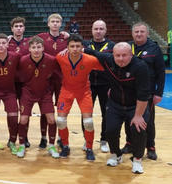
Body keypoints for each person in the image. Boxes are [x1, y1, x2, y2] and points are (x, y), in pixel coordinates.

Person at [84, 42, 150, 174]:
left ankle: (137, 160)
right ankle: (115, 154)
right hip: (115, 104)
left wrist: (138, 116)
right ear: (112, 55)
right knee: (110, 130)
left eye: (124, 55)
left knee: (138, 129)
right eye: (117, 55)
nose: (120, 58)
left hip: (135, 106)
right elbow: (91, 52)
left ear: (131, 55)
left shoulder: (140, 67)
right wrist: (71, 48)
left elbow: (144, 95)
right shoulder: (108, 60)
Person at [55, 34, 103, 161]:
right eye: (72, 46)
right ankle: (65, 146)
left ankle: (89, 148)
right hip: (66, 91)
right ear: (67, 47)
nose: (75, 49)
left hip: (84, 92)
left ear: (82, 47)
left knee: (88, 122)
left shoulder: (90, 60)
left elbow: (106, 66)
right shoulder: (60, 57)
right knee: (60, 120)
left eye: (77, 46)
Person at [121, 22, 165, 160]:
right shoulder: (127, 47)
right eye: (136, 32)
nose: (139, 34)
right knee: (129, 118)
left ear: (147, 33)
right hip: (129, 91)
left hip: (148, 92)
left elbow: (161, 72)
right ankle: (129, 143)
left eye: (142, 32)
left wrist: (158, 93)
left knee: (148, 121)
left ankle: (150, 147)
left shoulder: (154, 48)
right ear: (132, 33)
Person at [17, 36, 60, 158]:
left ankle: (51, 146)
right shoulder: (23, 61)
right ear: (29, 49)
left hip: (44, 93)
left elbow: (56, 77)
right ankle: (21, 145)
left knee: (51, 119)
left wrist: (53, 92)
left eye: (39, 47)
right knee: (23, 119)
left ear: (43, 48)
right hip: (28, 93)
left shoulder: (51, 60)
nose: (36, 50)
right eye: (33, 47)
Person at [82, 20, 115, 153]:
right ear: (92, 30)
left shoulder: (112, 45)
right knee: (86, 114)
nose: (98, 31)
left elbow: (109, 59)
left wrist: (91, 52)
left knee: (106, 114)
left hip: (106, 85)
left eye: (101, 29)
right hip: (87, 85)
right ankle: (87, 139)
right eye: (96, 28)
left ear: (105, 31)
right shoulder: (84, 44)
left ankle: (104, 140)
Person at [37, 13, 68, 149]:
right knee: (45, 110)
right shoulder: (42, 37)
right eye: (52, 21)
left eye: (57, 21)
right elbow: (25, 43)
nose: (55, 23)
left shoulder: (66, 38)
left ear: (61, 24)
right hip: (46, 78)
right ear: (48, 24)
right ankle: (44, 138)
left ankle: (61, 137)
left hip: (62, 78)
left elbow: (80, 45)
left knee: (62, 111)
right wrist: (9, 38)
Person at [7, 16, 30, 147]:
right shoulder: (7, 42)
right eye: (16, 26)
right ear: (12, 29)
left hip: (25, 82)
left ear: (24, 28)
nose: (19, 28)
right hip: (10, 82)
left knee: (25, 112)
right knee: (12, 112)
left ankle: (24, 137)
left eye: (21, 26)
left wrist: (65, 34)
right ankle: (11, 138)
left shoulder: (30, 42)